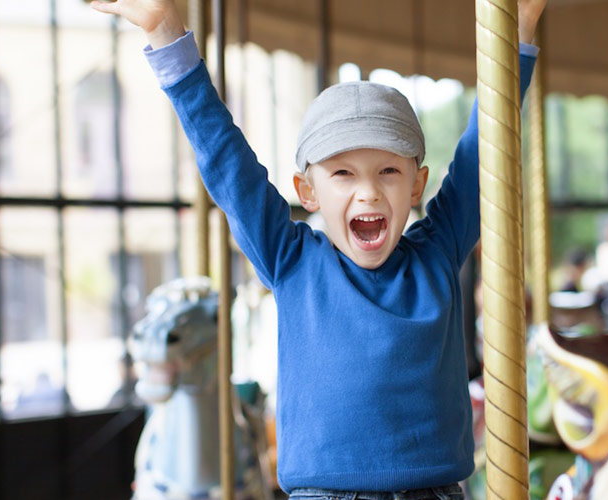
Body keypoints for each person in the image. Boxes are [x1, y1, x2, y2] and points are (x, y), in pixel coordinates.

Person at [89, 0, 545, 498]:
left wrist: (517, 28)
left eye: (388, 172)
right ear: (307, 192)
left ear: (417, 186)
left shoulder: (435, 253)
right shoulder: (293, 261)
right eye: (343, 174)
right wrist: (166, 32)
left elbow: (486, 152)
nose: (368, 191)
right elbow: (227, 162)